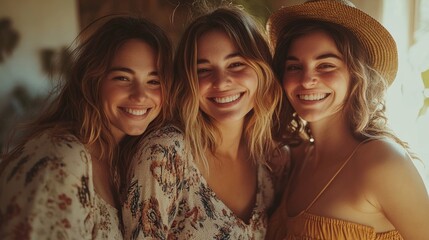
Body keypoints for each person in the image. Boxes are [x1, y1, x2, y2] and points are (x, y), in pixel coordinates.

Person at [265, 0, 429, 239]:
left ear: (356, 75)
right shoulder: (297, 158)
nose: (307, 79)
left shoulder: (382, 162)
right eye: (294, 67)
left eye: (326, 65)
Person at [0, 15, 173, 239]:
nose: (140, 95)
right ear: (92, 80)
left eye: (153, 81)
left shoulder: (123, 161)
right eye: (123, 78)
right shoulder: (62, 160)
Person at [121, 3, 285, 239]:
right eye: (203, 70)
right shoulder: (165, 155)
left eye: (236, 64)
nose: (221, 82)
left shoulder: (272, 158)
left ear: (263, 71)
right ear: (188, 81)